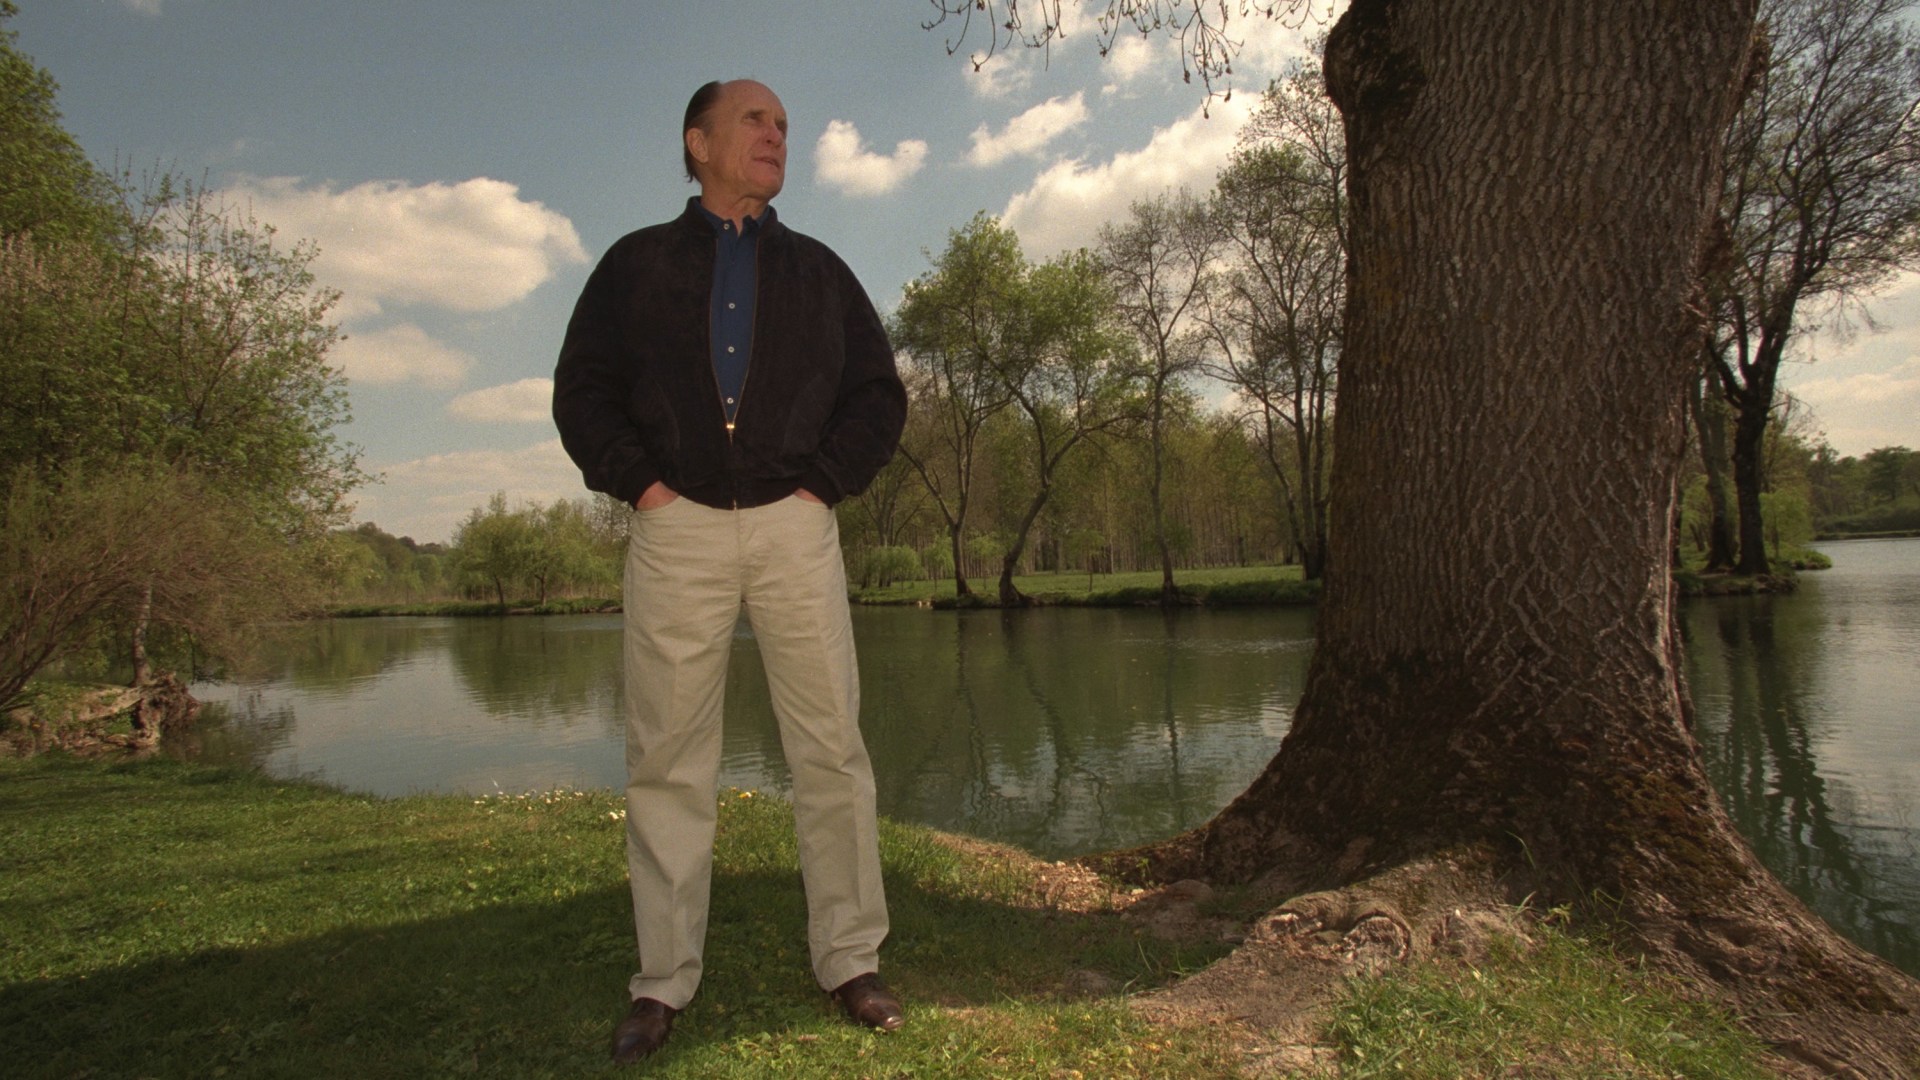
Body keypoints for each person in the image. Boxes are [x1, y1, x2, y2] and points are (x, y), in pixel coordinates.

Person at [551, 78, 908, 1065]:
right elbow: (581, 391)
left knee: (831, 748)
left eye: (784, 126)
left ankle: (850, 958)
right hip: (679, 531)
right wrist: (646, 489)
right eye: (755, 120)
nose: (776, 135)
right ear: (698, 142)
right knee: (668, 760)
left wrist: (822, 487)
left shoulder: (822, 273)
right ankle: (662, 981)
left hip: (796, 527)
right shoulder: (633, 268)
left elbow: (879, 394)